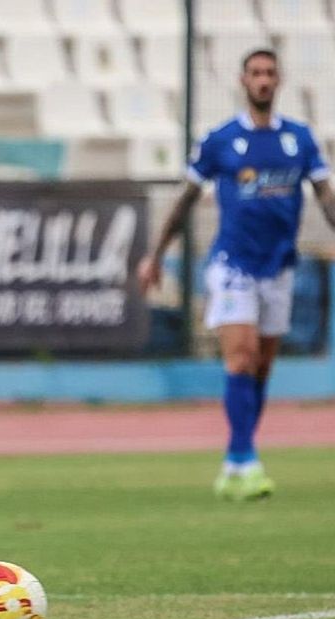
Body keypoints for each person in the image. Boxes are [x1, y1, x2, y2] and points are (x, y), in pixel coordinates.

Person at [138, 48, 335, 501]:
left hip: (279, 265)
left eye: (269, 73)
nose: (263, 80)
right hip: (233, 263)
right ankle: (246, 460)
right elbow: (186, 199)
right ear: (243, 81)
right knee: (241, 357)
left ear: (279, 80)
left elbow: (325, 197)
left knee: (262, 366)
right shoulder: (221, 140)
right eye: (255, 73)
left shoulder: (299, 140)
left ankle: (235, 459)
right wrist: (155, 254)